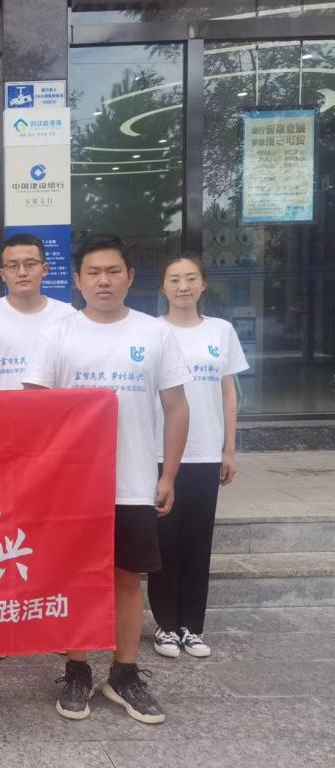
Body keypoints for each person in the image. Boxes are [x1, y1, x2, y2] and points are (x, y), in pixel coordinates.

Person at [23, 233, 190, 725]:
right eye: (93, 273)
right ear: (77, 281)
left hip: (134, 481)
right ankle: (76, 669)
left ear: (130, 277)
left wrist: (169, 474)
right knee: (76, 577)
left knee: (127, 578)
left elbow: (177, 407)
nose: (103, 281)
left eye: (113, 271)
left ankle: (125, 673)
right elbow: (34, 409)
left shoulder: (155, 333)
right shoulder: (57, 334)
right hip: (74, 486)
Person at [149, 254, 249, 660]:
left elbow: (228, 393)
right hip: (160, 452)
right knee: (164, 542)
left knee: (197, 540)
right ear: (163, 286)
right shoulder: (151, 331)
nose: (183, 286)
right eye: (174, 279)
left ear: (203, 285)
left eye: (191, 278)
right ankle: (165, 625)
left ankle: (192, 626)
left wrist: (229, 448)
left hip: (206, 451)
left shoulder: (221, 331)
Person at [0, 233, 75, 391]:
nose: (22, 272)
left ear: (45, 269)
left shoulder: (68, 315)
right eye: (12, 266)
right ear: (2, 274)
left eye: (30, 264)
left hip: (54, 406)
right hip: (3, 407)